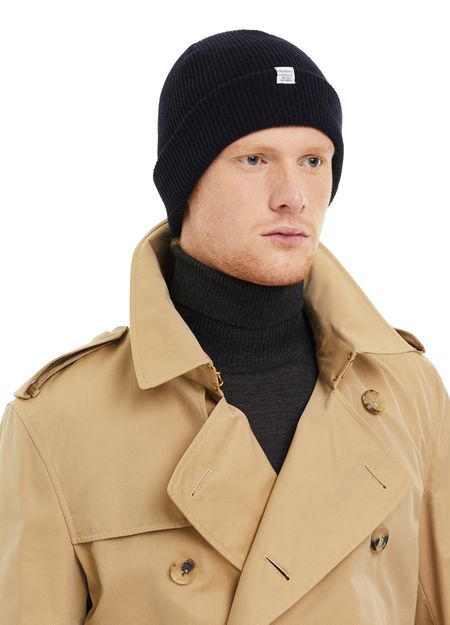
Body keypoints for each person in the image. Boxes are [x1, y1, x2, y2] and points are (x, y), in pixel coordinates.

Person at [0, 28, 448, 625]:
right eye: (255, 160)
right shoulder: (57, 422)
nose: (294, 196)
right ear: (186, 181)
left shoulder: (409, 390)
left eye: (314, 161)